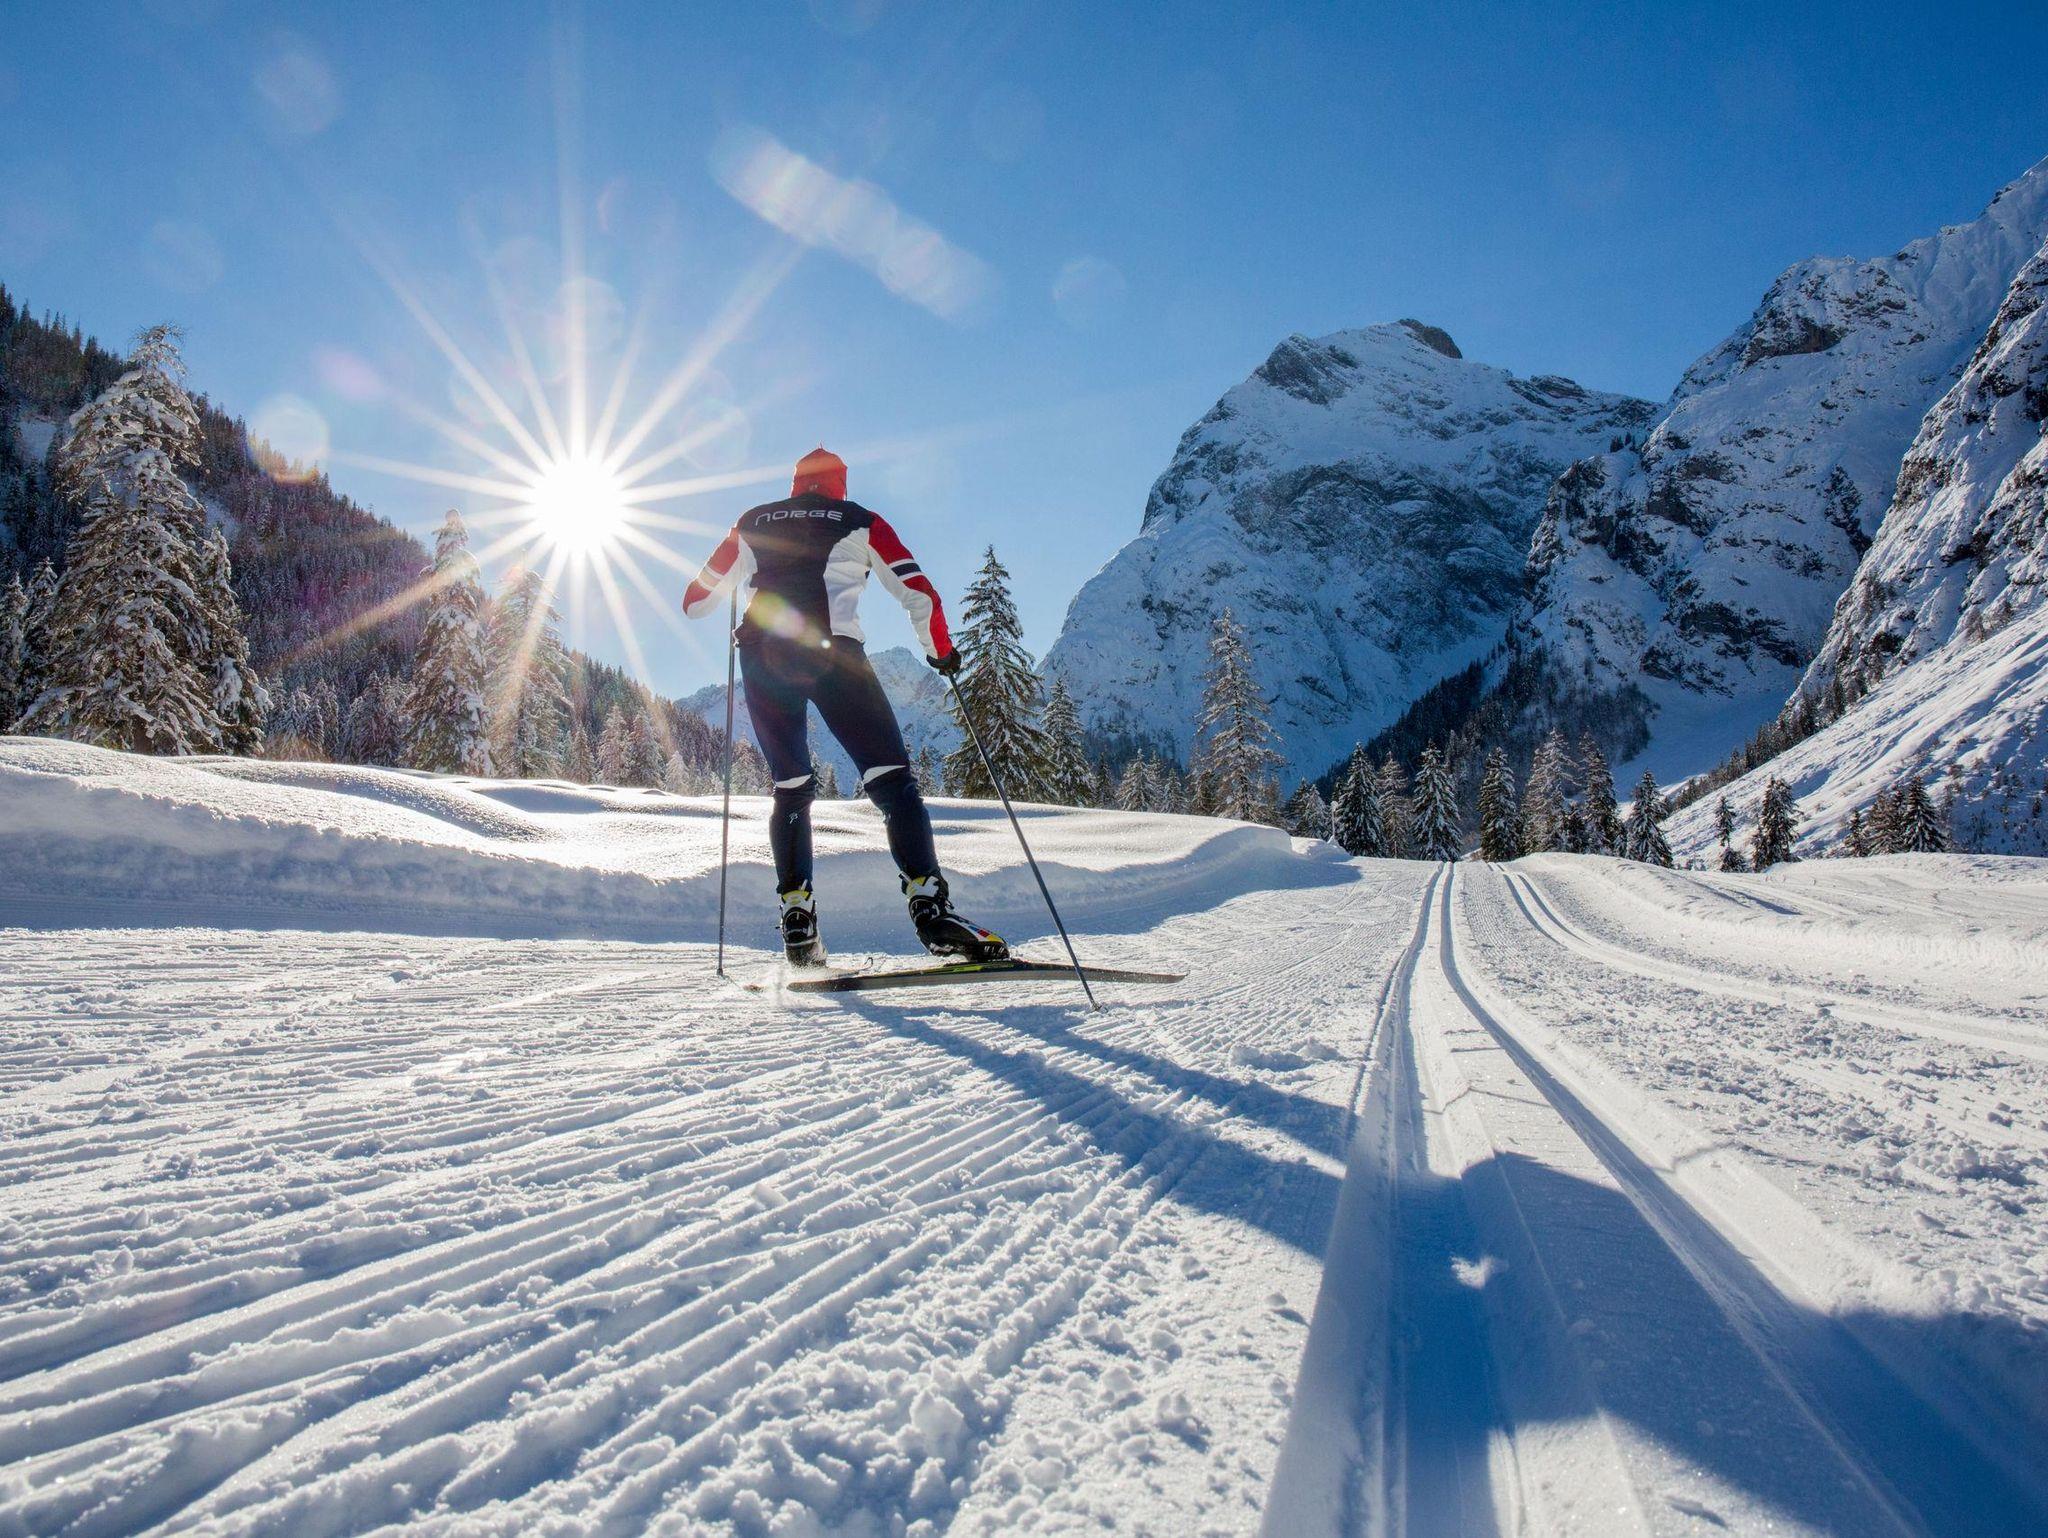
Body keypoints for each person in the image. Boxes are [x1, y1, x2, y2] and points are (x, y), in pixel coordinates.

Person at [683, 446, 1008, 967]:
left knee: (791, 788)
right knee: (892, 781)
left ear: (794, 483)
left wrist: (739, 575)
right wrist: (941, 652)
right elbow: (919, 592)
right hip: (834, 656)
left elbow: (696, 603)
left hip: (763, 659)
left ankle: (797, 915)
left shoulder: (752, 521)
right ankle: (930, 908)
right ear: (840, 484)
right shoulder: (861, 520)